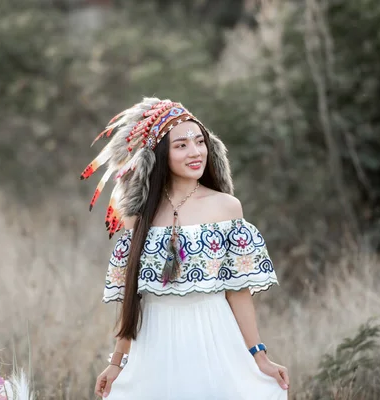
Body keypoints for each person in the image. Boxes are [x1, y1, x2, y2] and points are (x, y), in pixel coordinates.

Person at [81, 98, 289, 399]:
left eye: (200, 142)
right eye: (181, 145)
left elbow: (237, 291)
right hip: (153, 346)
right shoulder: (137, 217)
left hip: (214, 339)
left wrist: (259, 355)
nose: (195, 152)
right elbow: (132, 299)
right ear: (159, 155)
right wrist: (117, 362)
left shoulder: (225, 207)